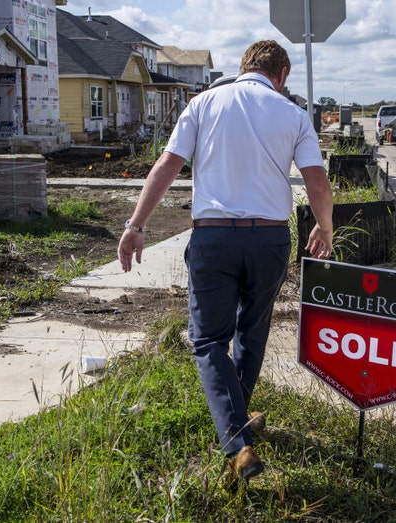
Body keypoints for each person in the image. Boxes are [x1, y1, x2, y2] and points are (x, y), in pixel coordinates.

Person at [117, 40, 334, 483]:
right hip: (271, 238)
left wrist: (136, 224)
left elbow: (167, 164)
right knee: (252, 332)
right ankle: (239, 428)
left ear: (243, 67)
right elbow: (316, 178)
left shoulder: (204, 103)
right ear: (283, 74)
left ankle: (236, 441)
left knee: (208, 340)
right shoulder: (293, 114)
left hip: (213, 238)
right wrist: (324, 226)